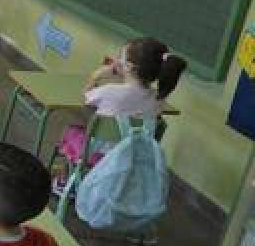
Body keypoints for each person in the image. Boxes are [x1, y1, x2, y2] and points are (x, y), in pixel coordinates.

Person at [54, 37, 188, 189]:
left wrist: (95, 76)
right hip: (132, 157)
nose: (116, 60)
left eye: (120, 57)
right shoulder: (158, 99)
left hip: (98, 154)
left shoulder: (109, 92)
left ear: (129, 67)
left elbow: (85, 98)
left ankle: (67, 182)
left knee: (71, 131)